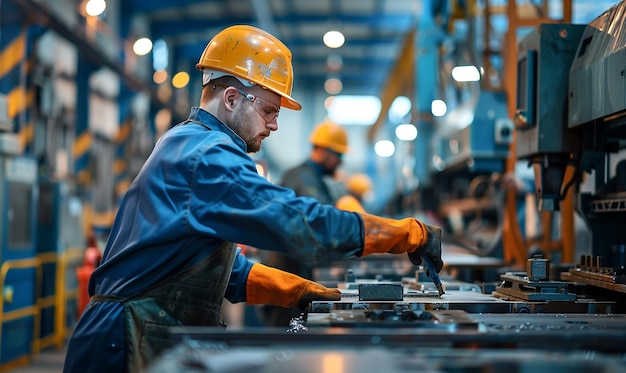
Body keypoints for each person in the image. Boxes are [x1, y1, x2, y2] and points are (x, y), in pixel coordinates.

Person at [63, 24, 443, 373]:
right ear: (231, 98)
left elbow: (217, 272)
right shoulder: (206, 155)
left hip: (136, 333)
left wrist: (294, 290)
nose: (275, 125)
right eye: (268, 110)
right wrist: (404, 234)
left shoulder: (188, 142)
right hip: (121, 345)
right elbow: (295, 223)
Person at [258, 120, 349, 326]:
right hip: (285, 273)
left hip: (290, 271)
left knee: (290, 333)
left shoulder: (304, 176)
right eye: (339, 155)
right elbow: (322, 223)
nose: (340, 162)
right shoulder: (304, 180)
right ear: (324, 151)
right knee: (286, 337)